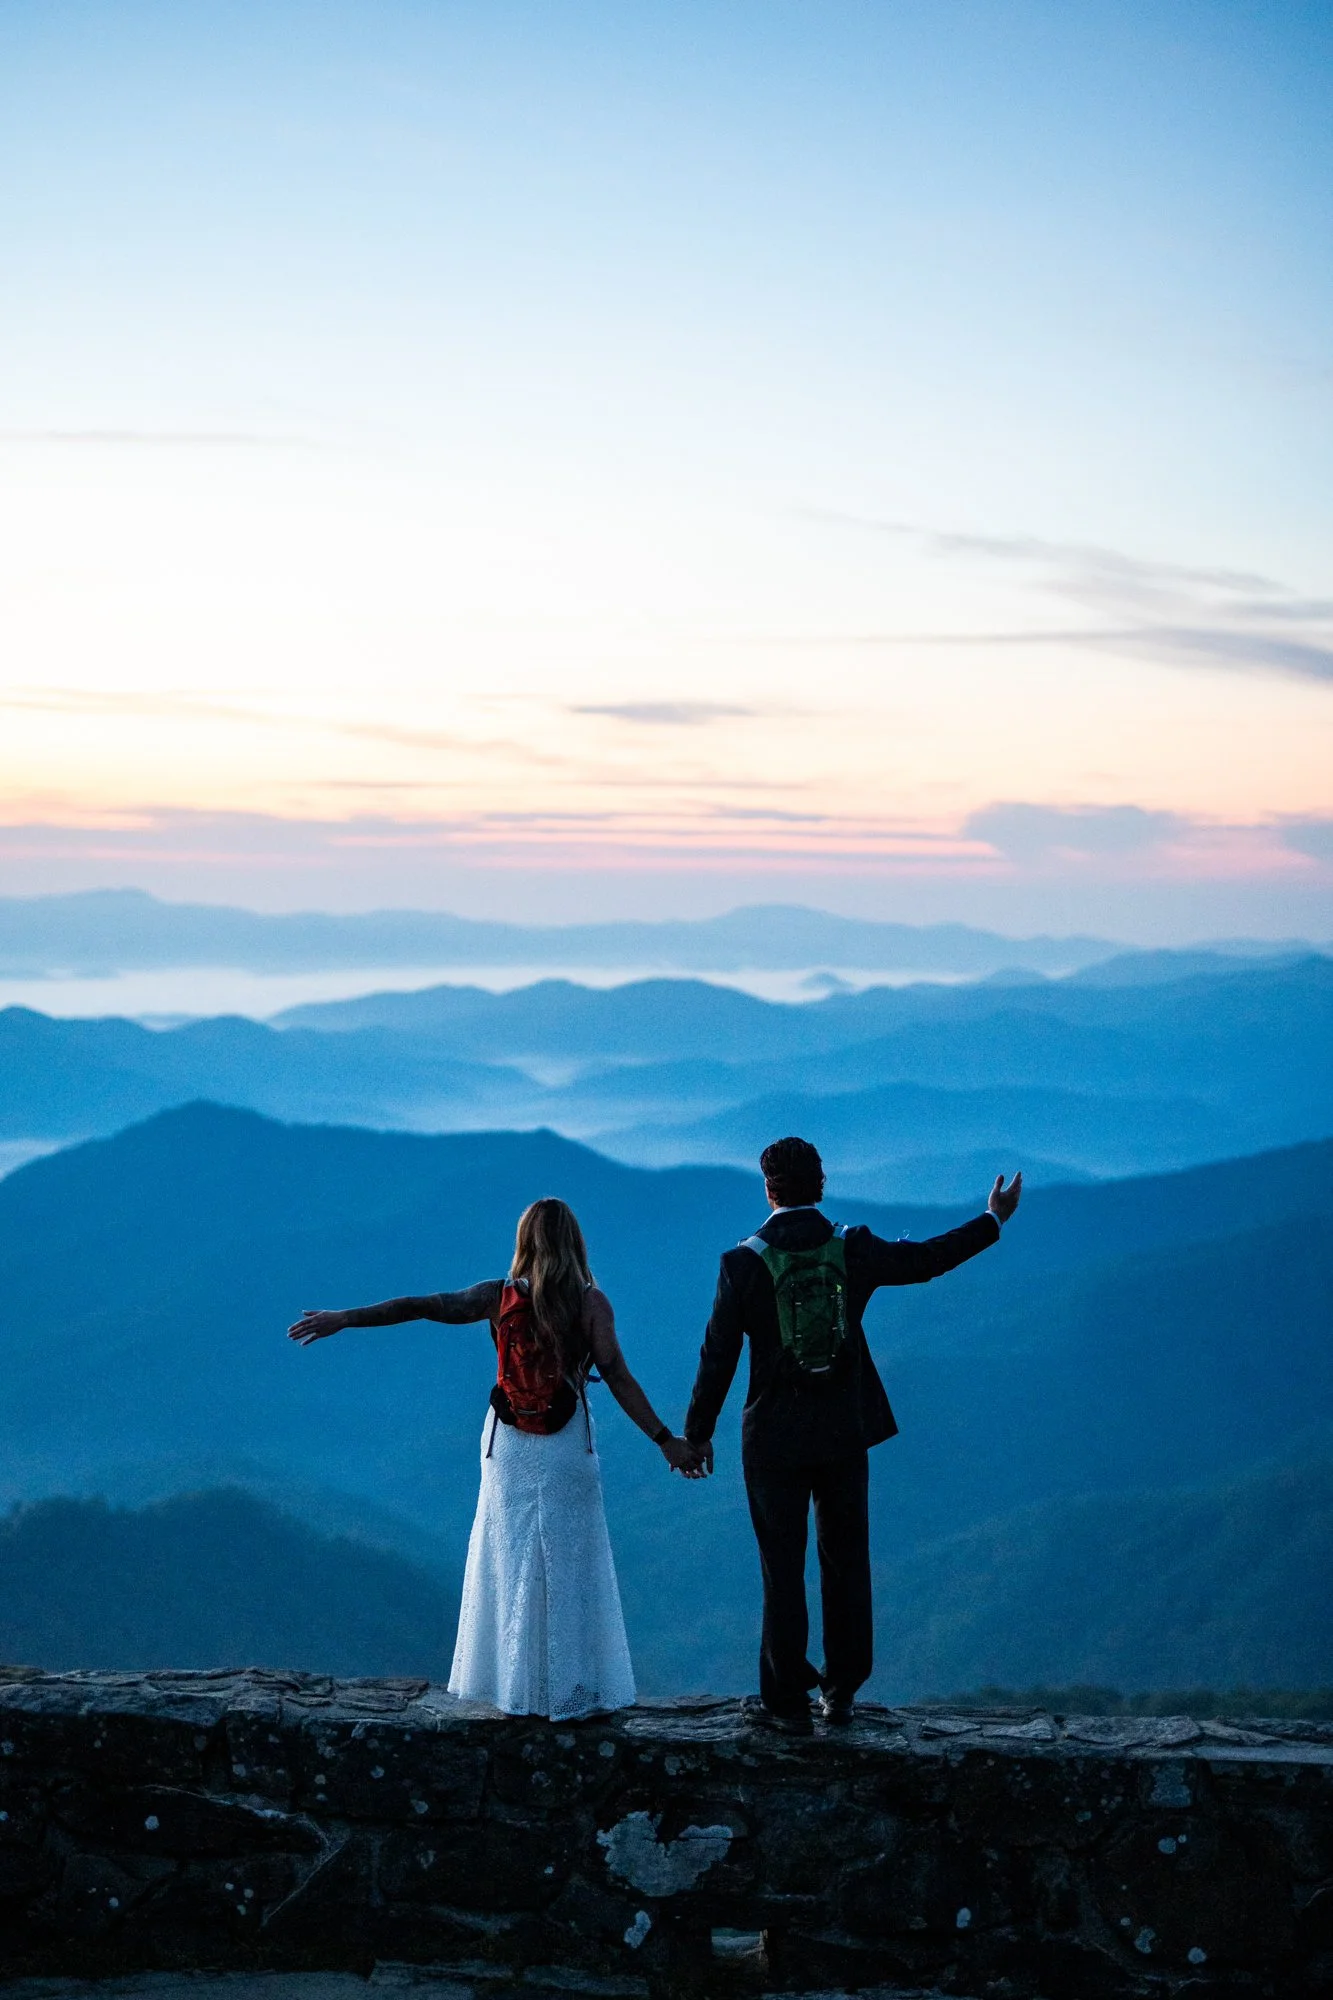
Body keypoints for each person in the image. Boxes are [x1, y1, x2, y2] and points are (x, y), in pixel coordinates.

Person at [288, 1196, 701, 1720]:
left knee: (508, 1560)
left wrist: (346, 1318)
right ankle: (570, 1691)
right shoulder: (590, 1303)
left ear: (524, 1241)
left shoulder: (496, 1296)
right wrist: (666, 1440)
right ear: (575, 1243)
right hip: (566, 1442)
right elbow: (617, 1375)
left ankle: (513, 1689)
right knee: (570, 1566)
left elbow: (420, 1306)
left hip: (508, 1444)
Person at [683, 1135, 1021, 1732]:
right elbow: (925, 1262)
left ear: (768, 1189)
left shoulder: (742, 1264)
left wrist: (698, 1433)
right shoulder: (852, 1247)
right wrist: (992, 1220)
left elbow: (718, 1356)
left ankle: (787, 1703)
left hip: (773, 1440)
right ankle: (841, 1691)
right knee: (845, 1561)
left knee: (782, 1570)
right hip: (843, 1432)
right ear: (821, 1185)